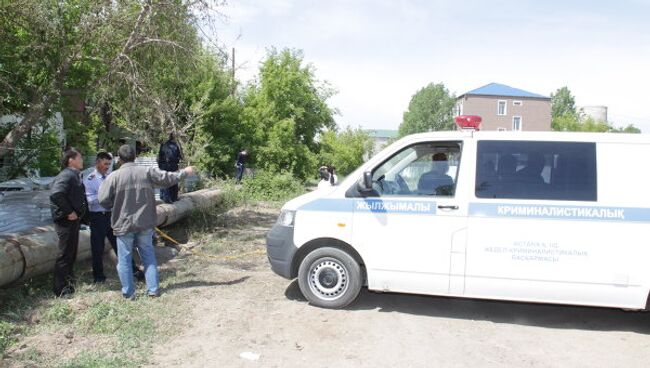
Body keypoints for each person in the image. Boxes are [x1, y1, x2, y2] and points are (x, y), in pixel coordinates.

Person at [99, 144, 193, 299]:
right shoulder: (146, 172)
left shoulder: (113, 177)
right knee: (148, 256)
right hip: (145, 223)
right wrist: (185, 172)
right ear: (135, 157)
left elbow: (102, 200)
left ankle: (129, 294)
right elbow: (168, 178)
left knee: (124, 259)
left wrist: (116, 205)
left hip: (124, 224)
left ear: (119, 159)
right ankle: (153, 290)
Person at [84, 152, 143, 283]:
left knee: (120, 244)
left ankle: (134, 271)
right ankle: (98, 277)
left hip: (112, 216)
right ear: (98, 162)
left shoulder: (110, 177)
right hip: (98, 217)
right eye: (105, 164)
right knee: (97, 248)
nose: (107, 167)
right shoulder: (90, 179)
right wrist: (106, 198)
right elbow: (89, 199)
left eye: (109, 164)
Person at [49, 148, 88, 297]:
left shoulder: (75, 175)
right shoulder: (66, 175)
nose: (82, 160)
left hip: (73, 221)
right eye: (80, 157)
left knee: (71, 254)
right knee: (65, 255)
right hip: (65, 221)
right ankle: (60, 290)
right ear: (71, 160)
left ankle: (69, 286)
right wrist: (69, 211)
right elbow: (56, 194)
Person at [157, 133, 183, 203]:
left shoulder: (163, 145)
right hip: (172, 166)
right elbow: (179, 157)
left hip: (163, 166)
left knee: (164, 181)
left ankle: (164, 197)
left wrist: (160, 165)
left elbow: (159, 156)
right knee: (174, 181)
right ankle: (173, 197)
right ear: (174, 138)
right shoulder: (175, 145)